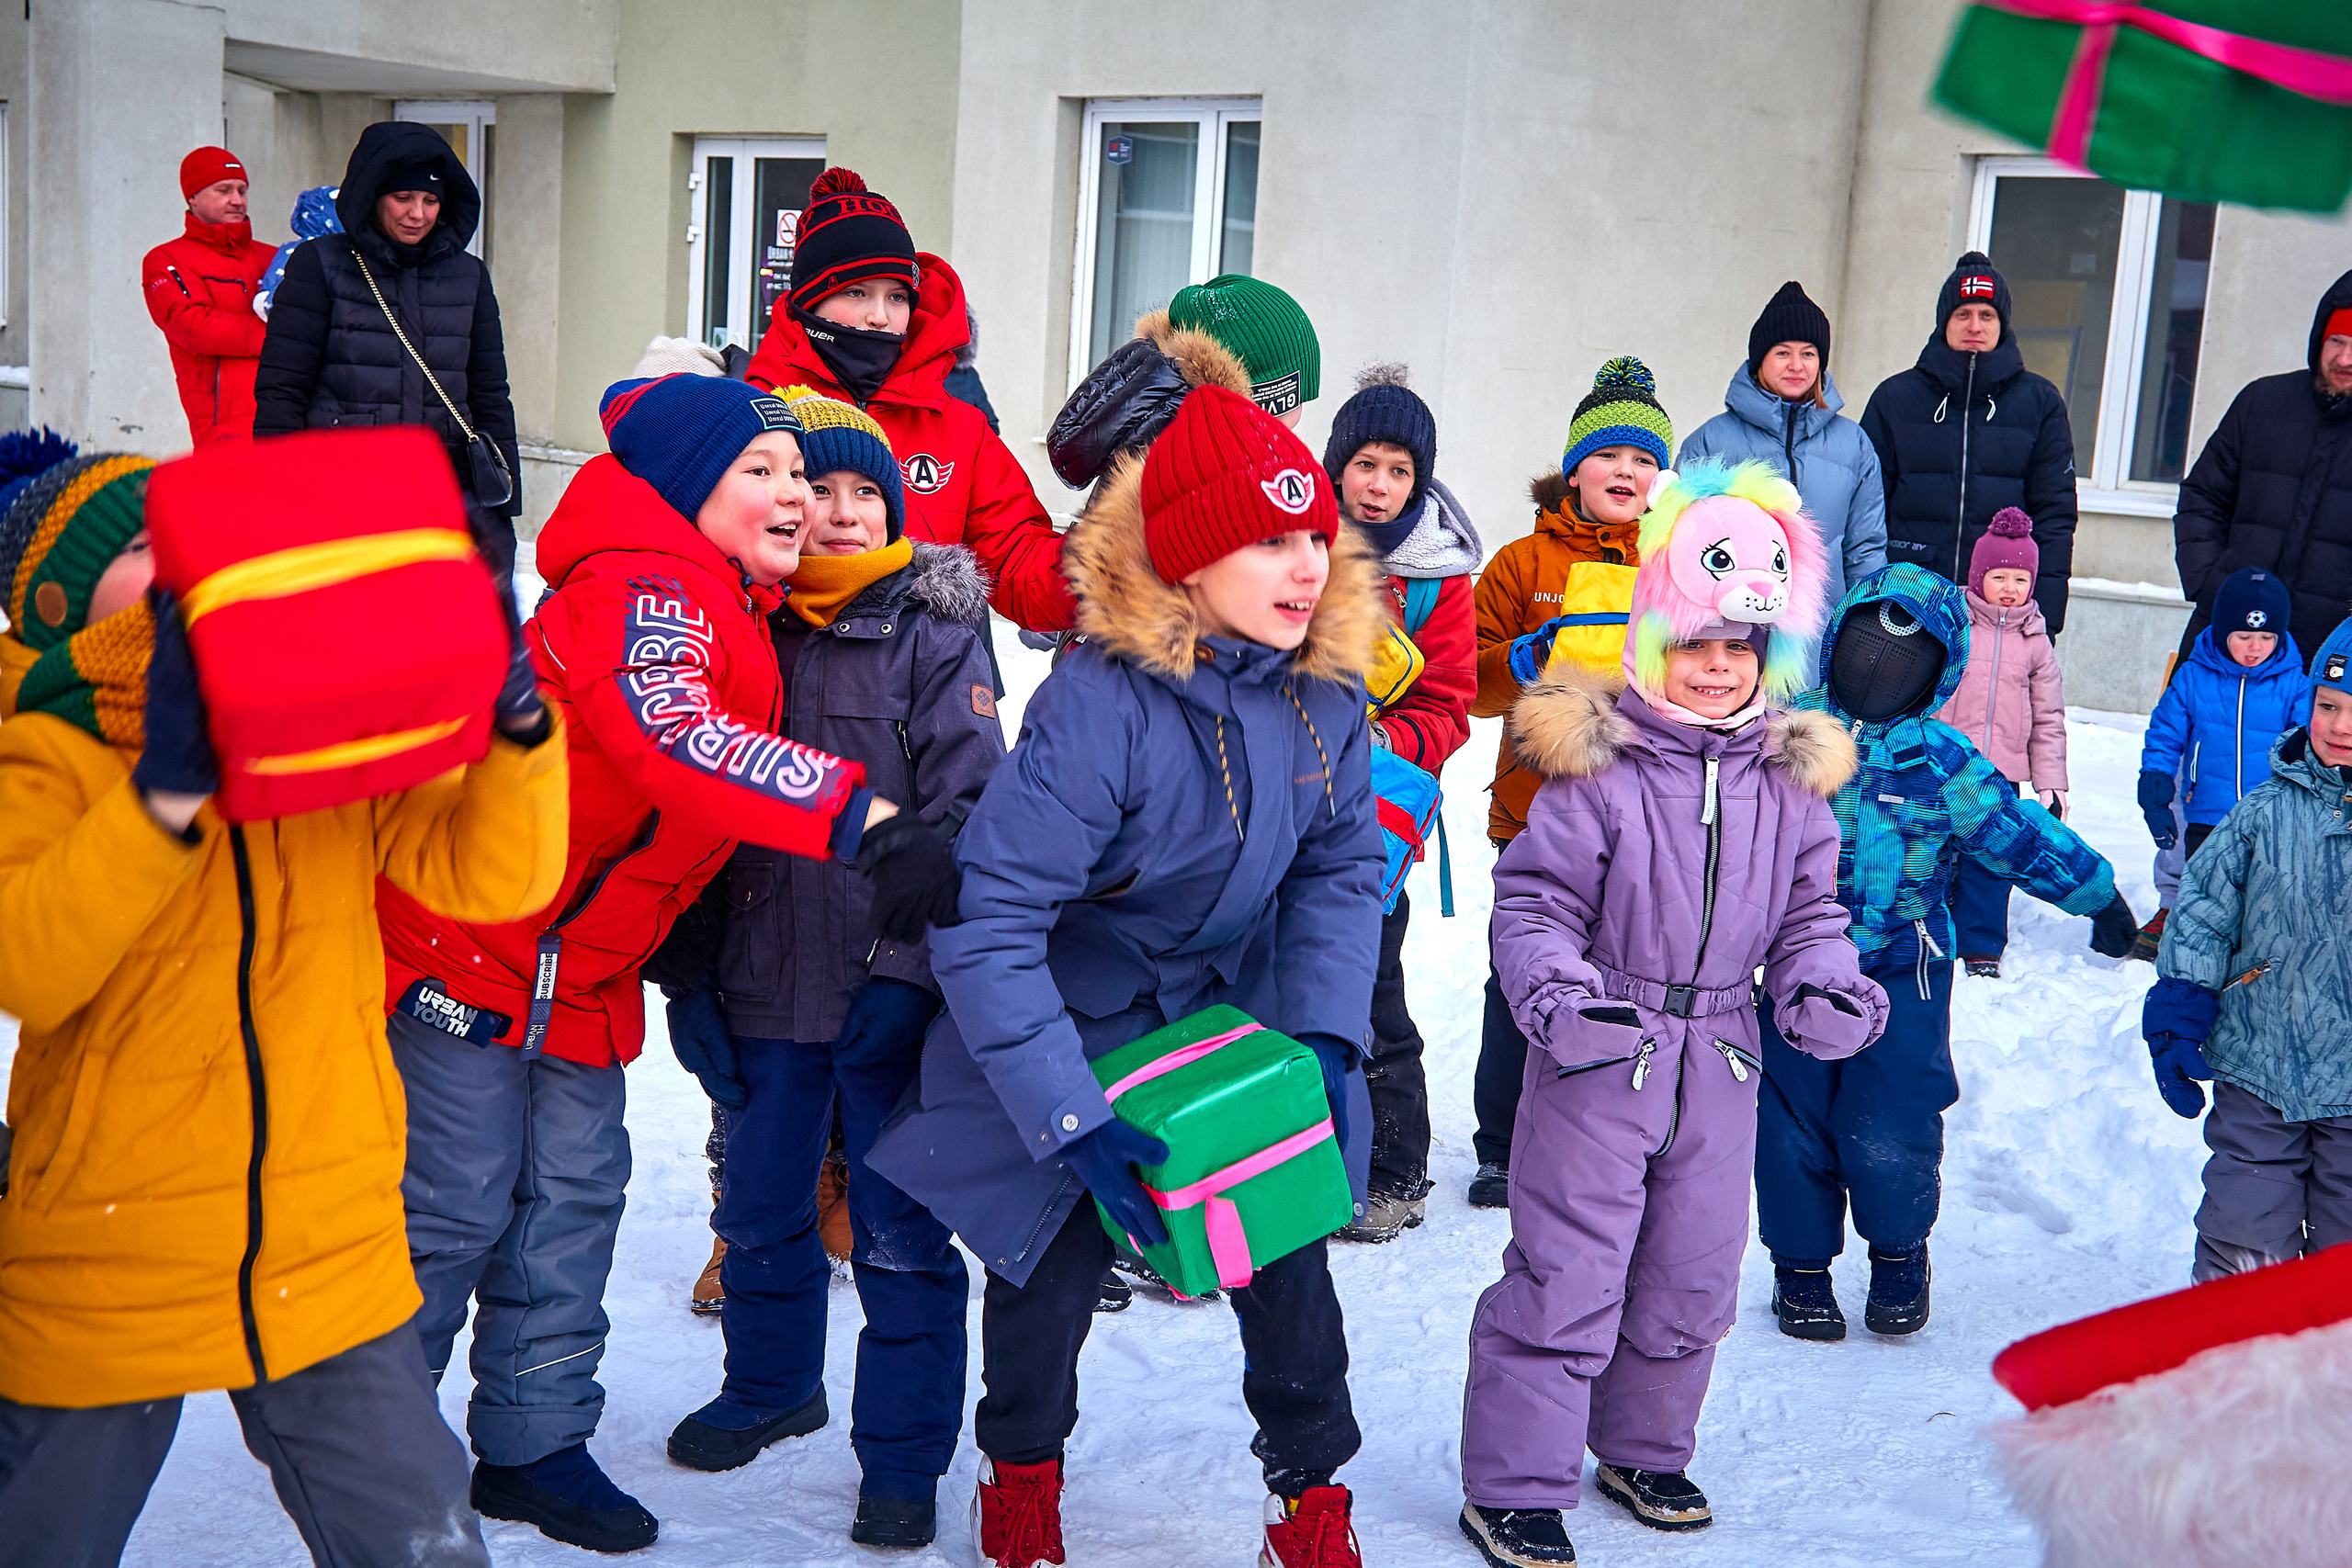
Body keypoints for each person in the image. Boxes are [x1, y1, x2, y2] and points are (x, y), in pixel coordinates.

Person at [373, 372, 961, 1554]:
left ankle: (532, 1443)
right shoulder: (643, 588)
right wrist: (861, 818)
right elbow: (674, 737)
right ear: (687, 488)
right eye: (765, 472)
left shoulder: (731, 601)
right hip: (468, 954)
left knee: (569, 1210)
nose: (799, 495)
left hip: (578, 978)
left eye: (802, 474)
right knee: (446, 1215)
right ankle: (373, 1459)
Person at [0, 441, 567, 1567]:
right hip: (110, 1252)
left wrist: (514, 734)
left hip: (327, 1240)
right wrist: (162, 798)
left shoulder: (315, 720)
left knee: (422, 1542)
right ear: (59, 603)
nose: (186, 560)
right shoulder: (42, 751)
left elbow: (494, 879)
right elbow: (30, 966)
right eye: (149, 545)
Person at [865, 385, 1385, 1568]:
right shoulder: (1100, 702)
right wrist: (1069, 1116)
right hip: (1072, 1014)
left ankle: (1309, 1494)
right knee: (1051, 1260)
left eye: (1315, 536)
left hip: (1223, 1011)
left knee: (1285, 1252)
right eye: (1271, 540)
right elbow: (990, 918)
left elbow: (1339, 869)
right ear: (1191, 560)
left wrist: (1323, 1033)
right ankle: (1020, 1473)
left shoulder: (1325, 690)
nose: (1307, 567)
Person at [1461, 460, 1884, 1568]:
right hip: (1604, 1053)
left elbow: (1809, 913)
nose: (1716, 666)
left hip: (1724, 1058)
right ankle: (1514, 1483)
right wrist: (1560, 998)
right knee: (1568, 1271)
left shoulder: (1788, 782)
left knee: (1691, 1271)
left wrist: (1819, 983)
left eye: (1739, 648)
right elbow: (1536, 904)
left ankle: (1642, 1448)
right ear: (1651, 644)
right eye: (1694, 644)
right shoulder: (1602, 769)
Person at [654, 385, 1001, 1551]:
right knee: (760, 1205)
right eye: (819, 488)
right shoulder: (743, 623)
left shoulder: (934, 636)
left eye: (867, 492)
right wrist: (693, 972)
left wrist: (909, 975)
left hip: (884, 994)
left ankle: (901, 1458)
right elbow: (697, 804)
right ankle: (770, 1385)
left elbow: (970, 815)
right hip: (761, 978)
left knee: (898, 1233)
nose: (842, 512)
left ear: (896, 509)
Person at [1763, 565, 2139, 1343]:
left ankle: (1899, 1253)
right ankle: (1800, 1268)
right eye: (1864, 644)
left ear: (1938, 672)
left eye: (1905, 657)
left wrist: (2096, 893)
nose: (1878, 666)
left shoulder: (1942, 762)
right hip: (1795, 965)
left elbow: (2017, 833)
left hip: (1905, 962)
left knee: (1892, 1114)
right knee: (1791, 1118)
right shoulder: (1784, 737)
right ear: (1835, 642)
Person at [1464, 355, 1668, 1210]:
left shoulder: (1677, 560)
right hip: (1536, 809)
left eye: (1644, 459)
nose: (1625, 471)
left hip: (1647, 811)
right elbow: (1466, 683)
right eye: (1608, 455)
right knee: (1522, 970)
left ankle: (1603, 1133)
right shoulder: (1521, 563)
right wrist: (1522, 661)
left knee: (1628, 975)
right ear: (1575, 469)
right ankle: (1502, 1144)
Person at [743, 167, 1074, 632]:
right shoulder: (751, 414)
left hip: (922, 675)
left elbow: (1021, 565)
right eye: (856, 292)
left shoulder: (960, 430)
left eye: (897, 297)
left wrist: (1117, 554)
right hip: (776, 668)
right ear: (807, 300)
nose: (880, 316)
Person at [2142, 618, 2352, 1282]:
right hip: (2262, 1062)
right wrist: (2179, 1007)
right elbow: (2203, 913)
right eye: (2328, 706)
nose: (2339, 726)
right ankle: (2237, 1337)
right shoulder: (2263, 810)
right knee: (2243, 1225)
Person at [1320, 362, 1479, 1241]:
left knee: (1371, 988)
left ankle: (1394, 1169)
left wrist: (1386, 740)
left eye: (1399, 470)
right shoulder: (1295, 540)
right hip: (1276, 804)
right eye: (1365, 465)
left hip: (1371, 823)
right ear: (1337, 464)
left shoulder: (1434, 578)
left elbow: (1448, 702)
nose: (1379, 485)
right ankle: (1289, 1160)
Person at [253, 121, 522, 560]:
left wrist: (502, 506)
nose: (418, 214)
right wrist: (280, 493)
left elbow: (490, 395)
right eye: (403, 197)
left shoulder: (468, 276)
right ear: (373, 196)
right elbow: (282, 392)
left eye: (430, 200)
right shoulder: (319, 265)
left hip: (443, 493)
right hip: (341, 494)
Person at [1860, 252, 2078, 634]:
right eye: (1962, 314)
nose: (1974, 325)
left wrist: (2044, 617)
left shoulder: (2040, 403)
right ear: (1944, 322)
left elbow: (2055, 516)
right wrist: (1867, 597)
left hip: (2002, 607)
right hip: (1908, 597)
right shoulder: (1895, 398)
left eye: (1986, 315)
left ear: (2002, 324)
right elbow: (1866, 510)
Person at [1678, 279, 1887, 617]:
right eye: (1782, 352)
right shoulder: (1710, 441)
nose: (1796, 365)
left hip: (1823, 625)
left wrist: (1865, 618)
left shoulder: (1854, 443)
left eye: (1808, 353)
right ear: (1760, 360)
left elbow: (1865, 548)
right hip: (1735, 626)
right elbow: (1685, 541)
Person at [2172, 270, 2352, 661]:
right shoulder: (2262, 402)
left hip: (2328, 653)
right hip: (2227, 631)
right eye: (2336, 341)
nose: (2344, 359)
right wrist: (2212, 583)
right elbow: (2203, 496)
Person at [2132, 567, 2311, 958]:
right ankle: (2183, 932)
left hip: (2267, 814)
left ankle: (2252, 945)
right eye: (2243, 636)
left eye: (2266, 637)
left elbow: (2304, 744)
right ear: (2222, 631)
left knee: (2258, 883)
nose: (2255, 647)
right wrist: (2156, 778)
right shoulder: (2193, 677)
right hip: (2206, 806)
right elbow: (2166, 732)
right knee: (2201, 882)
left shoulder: (2295, 684)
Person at [1932, 507, 2069, 977]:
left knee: (1992, 862)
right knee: (1932, 853)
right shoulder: (1953, 625)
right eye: (1999, 577)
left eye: (2020, 579)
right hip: (1944, 768)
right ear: (1978, 576)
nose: (2010, 588)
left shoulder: (2035, 641)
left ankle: (1981, 945)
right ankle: (1929, 932)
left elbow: (2049, 718)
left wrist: (2051, 782)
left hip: (2001, 776)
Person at [141, 146, 273, 448]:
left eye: (242, 190)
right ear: (192, 197)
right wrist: (283, 335)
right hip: (222, 424)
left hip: (287, 412)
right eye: (223, 190)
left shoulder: (273, 257)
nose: (237, 200)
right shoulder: (167, 260)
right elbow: (194, 327)